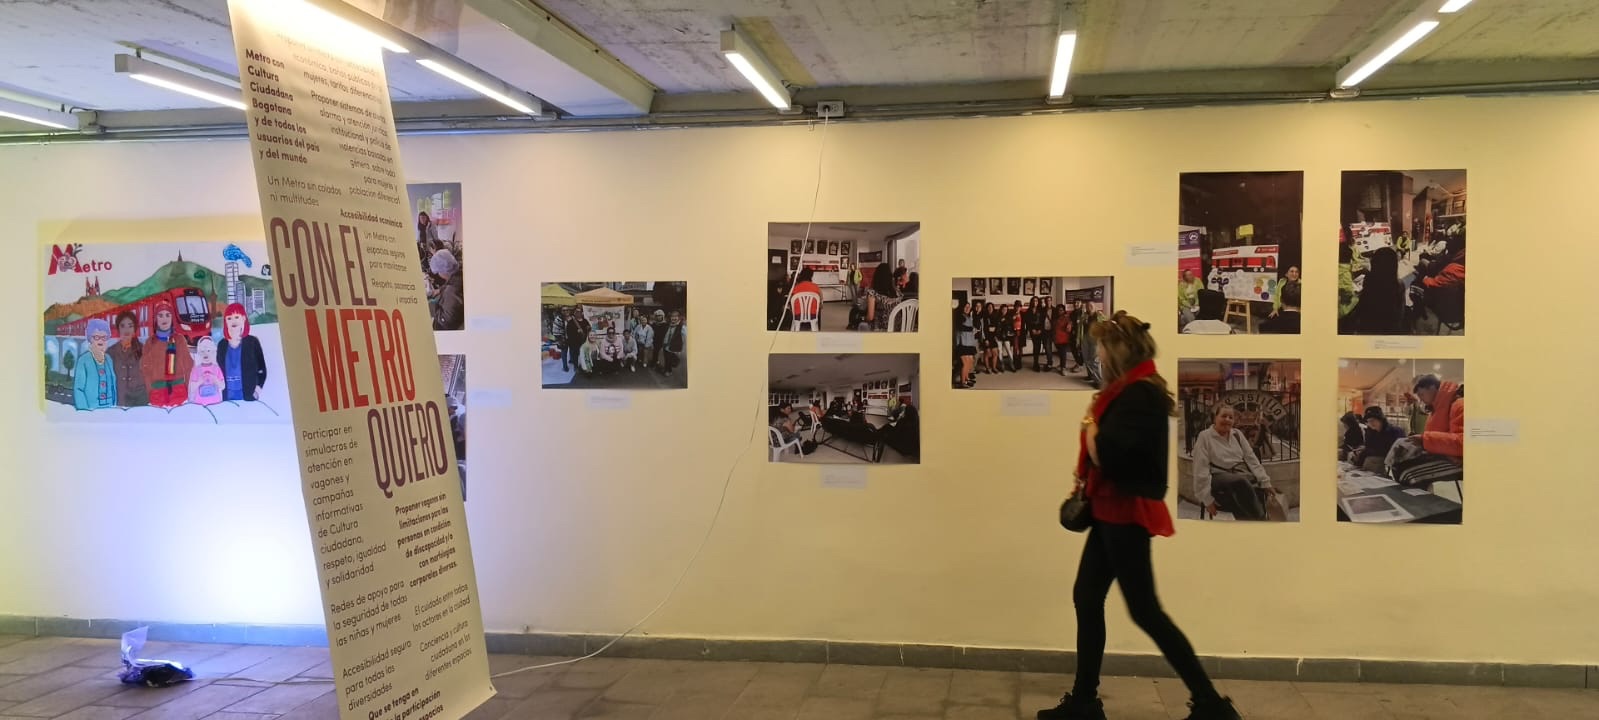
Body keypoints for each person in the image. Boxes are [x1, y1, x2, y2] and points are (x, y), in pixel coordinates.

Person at [1041, 311, 1238, 720]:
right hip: (1111, 510)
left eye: (1099, 345)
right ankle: (1083, 701)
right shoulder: (1131, 392)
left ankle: (1211, 705)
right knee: (1088, 596)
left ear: (1115, 352)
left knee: (1145, 610)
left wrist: (1090, 427)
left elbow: (1112, 456)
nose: (1095, 351)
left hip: (1125, 513)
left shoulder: (1137, 396)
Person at [1189, 405, 1277, 521]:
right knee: (1240, 481)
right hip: (1217, 475)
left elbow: (1251, 459)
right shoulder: (1205, 436)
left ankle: (1246, 528)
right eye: (1223, 416)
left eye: (1230, 417)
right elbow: (1200, 469)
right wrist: (1206, 499)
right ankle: (1262, 521)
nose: (1227, 420)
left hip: (1239, 474)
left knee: (1245, 494)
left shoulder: (1237, 434)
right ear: (1215, 418)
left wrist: (1265, 482)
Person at [139, 299, 193, 408]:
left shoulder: (179, 340)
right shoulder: (150, 342)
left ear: (172, 318)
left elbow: (188, 366)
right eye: (161, 315)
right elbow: (145, 371)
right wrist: (151, 391)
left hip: (179, 393)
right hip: (157, 394)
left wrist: (188, 389)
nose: (165, 319)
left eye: (168, 315)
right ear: (155, 319)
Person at [218, 303, 267, 402]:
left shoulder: (252, 342)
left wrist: (257, 391)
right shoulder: (222, 344)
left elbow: (262, 370)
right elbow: (217, 371)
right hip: (226, 399)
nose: (233, 321)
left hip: (248, 397)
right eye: (229, 318)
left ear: (243, 319)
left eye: (236, 317)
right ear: (225, 322)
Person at [1411, 375, 1463, 464]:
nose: (1420, 399)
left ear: (1432, 388)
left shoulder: (1459, 405)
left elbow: (1463, 443)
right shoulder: (1435, 411)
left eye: (1422, 395)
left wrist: (1425, 440)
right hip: (1444, 461)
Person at [72, 319, 118, 411]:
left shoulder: (109, 359)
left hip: (110, 410)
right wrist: (84, 412)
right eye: (96, 337)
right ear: (90, 339)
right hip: (90, 411)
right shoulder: (83, 360)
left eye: (104, 337)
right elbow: (78, 389)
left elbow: (113, 386)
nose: (100, 341)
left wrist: (114, 407)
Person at [107, 311, 148, 407]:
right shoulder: (110, 352)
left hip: (139, 402)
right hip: (118, 401)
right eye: (122, 326)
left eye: (130, 326)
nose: (127, 329)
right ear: (118, 329)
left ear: (134, 329)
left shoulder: (144, 350)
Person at [1352, 406, 1404, 473]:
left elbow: (1394, 452)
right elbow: (1369, 446)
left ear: (1380, 419)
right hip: (1373, 460)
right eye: (1368, 421)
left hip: (1391, 463)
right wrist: (1362, 450)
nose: (1371, 423)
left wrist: (1367, 451)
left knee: (1371, 460)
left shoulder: (1394, 431)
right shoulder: (1370, 432)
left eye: (1373, 420)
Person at [430, 249, 464, 331]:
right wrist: (440, 290)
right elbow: (450, 284)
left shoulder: (451, 291)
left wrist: (433, 309)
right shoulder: (459, 274)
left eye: (438, 272)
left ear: (443, 271)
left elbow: (446, 322)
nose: (439, 274)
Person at [187, 336, 226, 406]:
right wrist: (200, 381)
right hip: (199, 404)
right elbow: (191, 389)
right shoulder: (196, 369)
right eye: (202, 351)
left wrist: (215, 379)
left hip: (216, 403)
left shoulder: (216, 368)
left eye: (208, 350)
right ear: (199, 353)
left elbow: (223, 386)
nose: (205, 354)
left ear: (213, 352)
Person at [860, 262, 898, 331]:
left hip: (880, 329)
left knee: (861, 325)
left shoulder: (872, 293)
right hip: (897, 328)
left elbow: (870, 317)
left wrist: (863, 318)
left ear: (877, 276)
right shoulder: (897, 292)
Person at [1263, 266, 1301, 334]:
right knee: (1271, 320)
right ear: (1286, 274)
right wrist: (1275, 309)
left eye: (1296, 272)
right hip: (1283, 307)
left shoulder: (1301, 284)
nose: (1294, 274)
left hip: (1296, 310)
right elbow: (1277, 295)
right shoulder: (1282, 281)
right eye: (1292, 271)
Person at [954, 301, 977, 388]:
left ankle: (966, 379)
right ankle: (962, 382)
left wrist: (974, 330)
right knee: (965, 363)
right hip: (962, 343)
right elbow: (960, 327)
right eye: (965, 307)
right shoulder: (960, 317)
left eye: (969, 307)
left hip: (969, 342)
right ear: (962, 307)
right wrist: (971, 329)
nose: (967, 308)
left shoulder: (968, 317)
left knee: (970, 362)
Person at [661, 310, 686, 375]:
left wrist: (681, 349)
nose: (673, 318)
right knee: (666, 358)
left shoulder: (681, 327)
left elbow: (684, 338)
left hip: (673, 346)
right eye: (672, 316)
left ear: (679, 317)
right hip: (665, 345)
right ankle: (667, 369)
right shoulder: (668, 325)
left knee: (670, 359)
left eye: (675, 316)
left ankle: (668, 371)